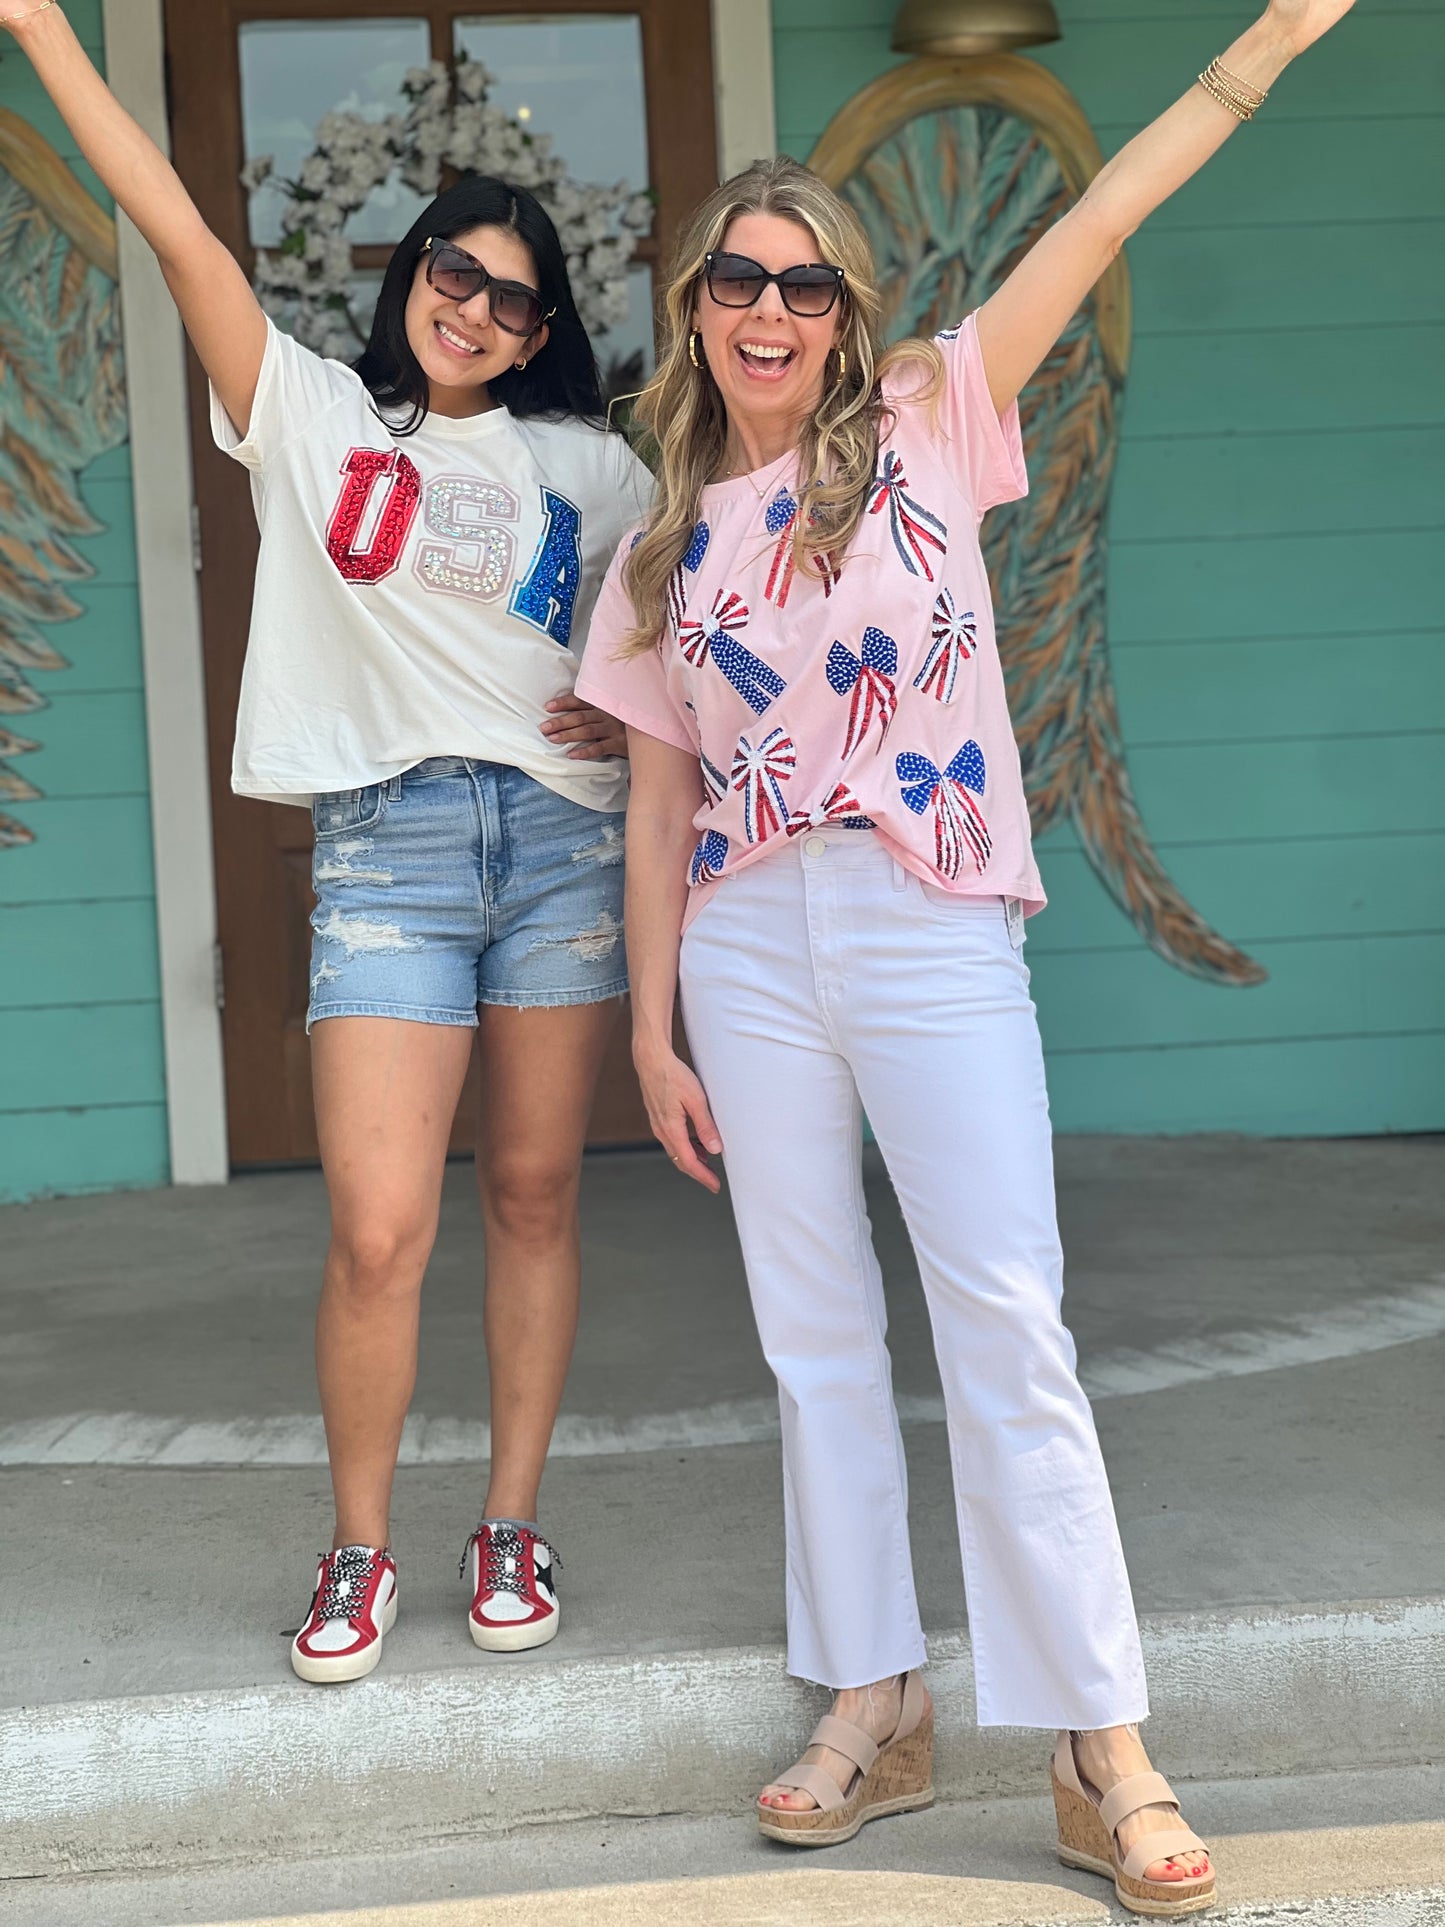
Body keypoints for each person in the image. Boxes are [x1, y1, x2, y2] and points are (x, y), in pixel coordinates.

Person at [575, 1, 1356, 1913]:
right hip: (749, 945)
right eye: (739, 282)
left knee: (1004, 1318)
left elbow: (1099, 224)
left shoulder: (931, 412)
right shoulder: (661, 544)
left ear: (848, 312)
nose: (770, 313)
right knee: (814, 1339)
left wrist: (1248, 57)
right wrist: (649, 1032)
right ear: (694, 306)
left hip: (926, 917)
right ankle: (871, 1706)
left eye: (806, 285)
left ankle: (1103, 1748)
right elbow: (658, 807)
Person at [5, 3, 653, 1681]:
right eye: (455, 272)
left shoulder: (596, 466)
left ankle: (509, 1518)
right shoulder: (309, 416)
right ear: (410, 271)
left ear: (536, 335)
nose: (476, 308)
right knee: (377, 1225)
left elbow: (696, 633)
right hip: (389, 851)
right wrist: (39, 32)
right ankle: (359, 1550)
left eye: (515, 299)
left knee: (527, 1198)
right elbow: (170, 218)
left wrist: (630, 705)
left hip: (564, 855)